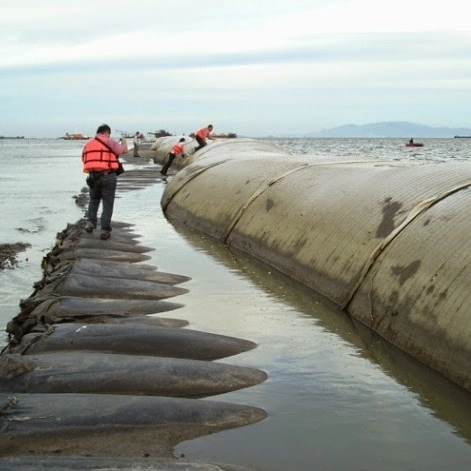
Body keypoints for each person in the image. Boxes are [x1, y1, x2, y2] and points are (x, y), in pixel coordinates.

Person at [82, 124, 128, 240]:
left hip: (93, 177)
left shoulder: (88, 143)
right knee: (107, 203)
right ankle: (105, 229)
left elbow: (84, 158)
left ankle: (90, 223)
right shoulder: (109, 141)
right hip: (108, 176)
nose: (109, 136)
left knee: (93, 200)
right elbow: (123, 150)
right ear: (106, 132)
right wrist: (123, 142)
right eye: (109, 134)